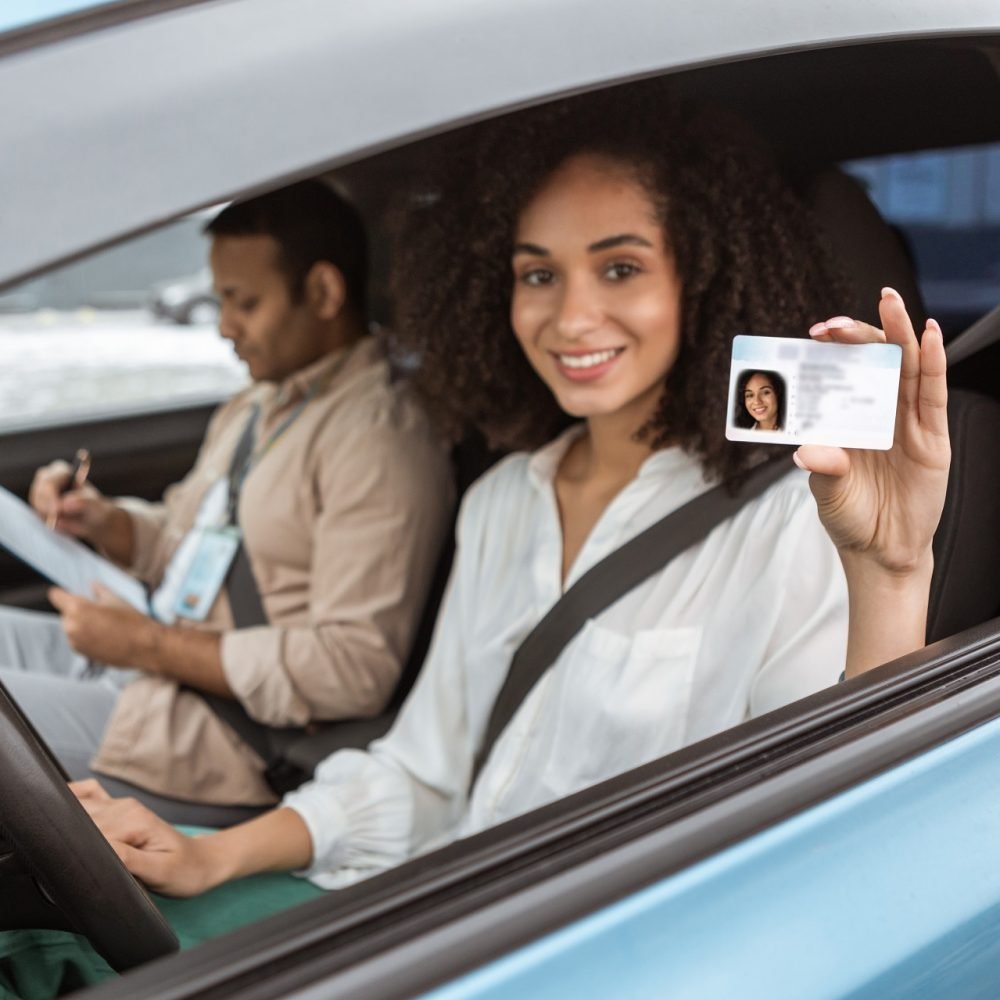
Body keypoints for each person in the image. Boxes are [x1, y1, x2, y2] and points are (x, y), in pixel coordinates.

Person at [76, 90, 949, 895]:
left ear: (704, 279)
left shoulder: (792, 518)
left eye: (619, 269)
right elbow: (424, 773)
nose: (568, 318)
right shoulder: (501, 499)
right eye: (538, 274)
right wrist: (208, 855)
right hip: (439, 911)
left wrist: (893, 573)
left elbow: (833, 833)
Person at [0, 181, 454, 824]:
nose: (222, 326)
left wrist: (149, 647)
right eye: (220, 301)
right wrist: (107, 523)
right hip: (146, 662)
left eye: (244, 303)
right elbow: (189, 536)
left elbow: (355, 667)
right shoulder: (258, 403)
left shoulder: (379, 438)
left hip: (213, 735)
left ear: (324, 292)